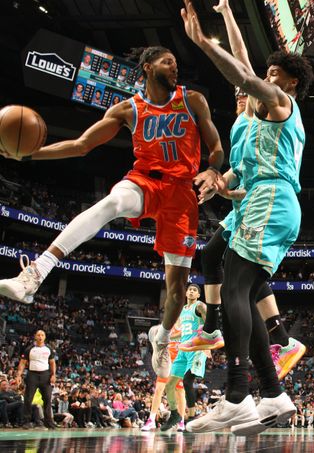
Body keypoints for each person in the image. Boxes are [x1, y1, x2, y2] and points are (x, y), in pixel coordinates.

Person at [0, 46, 224, 384]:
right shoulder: (127, 109)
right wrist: (29, 157)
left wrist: (212, 170)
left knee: (177, 288)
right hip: (144, 180)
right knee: (110, 204)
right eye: (167, 62)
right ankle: (34, 274)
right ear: (148, 67)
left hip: (181, 194)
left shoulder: (192, 100)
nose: (174, 67)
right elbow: (81, 145)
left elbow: (217, 148)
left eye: (176, 63)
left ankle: (161, 338)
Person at [181, 0, 311, 434]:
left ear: (289, 83)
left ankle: (237, 394)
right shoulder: (256, 117)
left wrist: (203, 43)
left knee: (234, 285)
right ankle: (273, 395)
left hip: (272, 201)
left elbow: (243, 73)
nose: (262, 77)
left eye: (274, 74)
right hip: (266, 201)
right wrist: (226, 15)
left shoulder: (278, 102)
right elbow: (243, 66)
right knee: (245, 293)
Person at [161, 284, 208, 432]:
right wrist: (166, 336)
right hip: (183, 349)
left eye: (195, 290)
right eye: (190, 289)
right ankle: (175, 415)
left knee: (187, 380)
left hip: (196, 349)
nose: (192, 291)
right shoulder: (183, 310)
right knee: (169, 385)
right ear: (186, 293)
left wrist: (208, 344)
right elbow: (183, 332)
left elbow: (209, 325)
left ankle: (191, 416)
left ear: (198, 295)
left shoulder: (200, 306)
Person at [16, 330, 56, 429]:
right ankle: (26, 421)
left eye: (42, 335)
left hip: (45, 375)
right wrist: (18, 375)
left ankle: (48, 422)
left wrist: (53, 374)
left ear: (45, 337)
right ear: (35, 337)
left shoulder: (49, 349)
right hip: (32, 375)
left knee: (47, 399)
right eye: (38, 335)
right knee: (28, 398)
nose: (40, 337)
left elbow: (52, 363)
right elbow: (22, 363)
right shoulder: (29, 348)